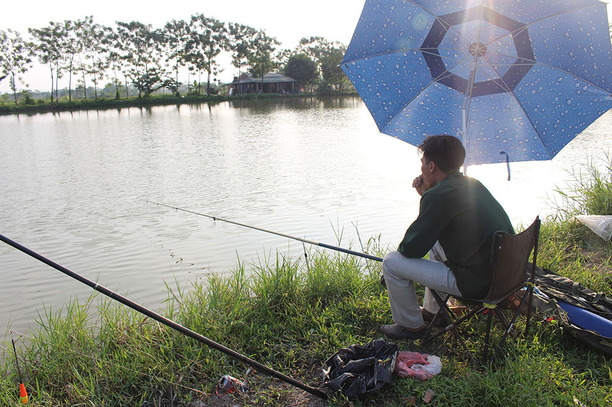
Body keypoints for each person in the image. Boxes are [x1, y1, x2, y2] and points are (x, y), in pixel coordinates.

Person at [380, 135, 514, 340]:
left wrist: (427, 196)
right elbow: (439, 227)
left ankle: (410, 327)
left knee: (391, 262)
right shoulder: (473, 184)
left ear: (432, 166)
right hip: (506, 275)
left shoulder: (439, 195)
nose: (422, 169)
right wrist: (428, 195)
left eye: (423, 164)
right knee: (434, 243)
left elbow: (411, 248)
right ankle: (434, 312)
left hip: (479, 284)